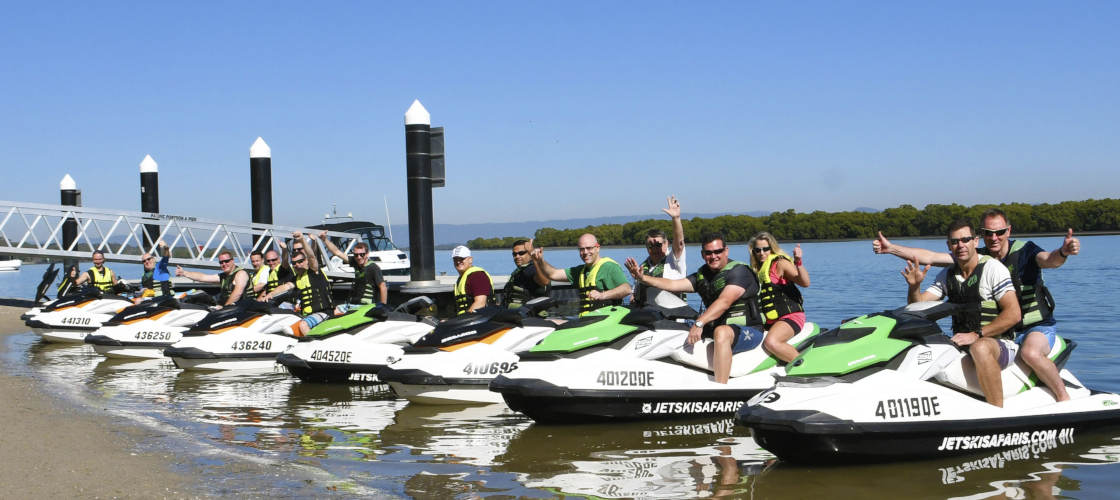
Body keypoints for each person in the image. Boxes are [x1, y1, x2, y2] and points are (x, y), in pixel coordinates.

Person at [875, 208, 1078, 402]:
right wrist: (892, 249)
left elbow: (1049, 260)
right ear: (981, 236)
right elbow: (930, 257)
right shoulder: (973, 256)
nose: (994, 237)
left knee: (1030, 353)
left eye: (999, 232)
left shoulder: (1024, 252)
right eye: (988, 233)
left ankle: (1063, 397)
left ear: (1008, 231)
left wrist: (1063, 252)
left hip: (1032, 326)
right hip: (1000, 330)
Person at [903, 218, 1021, 407]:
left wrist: (977, 335)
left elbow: (1014, 314)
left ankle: (997, 412)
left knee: (980, 348)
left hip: (1000, 344)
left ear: (975, 241)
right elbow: (917, 306)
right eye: (955, 241)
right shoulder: (948, 274)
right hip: (962, 343)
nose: (961, 245)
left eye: (965, 239)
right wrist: (914, 287)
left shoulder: (993, 269)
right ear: (949, 245)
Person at [625, 232, 765, 384]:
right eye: (708, 253)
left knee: (722, 332)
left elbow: (724, 301)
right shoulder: (702, 275)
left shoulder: (740, 272)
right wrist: (642, 278)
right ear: (702, 254)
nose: (713, 256)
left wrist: (700, 323)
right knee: (672, 329)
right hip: (714, 328)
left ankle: (720, 389)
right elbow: (673, 284)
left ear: (726, 251)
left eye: (718, 251)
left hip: (748, 330)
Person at [746, 232, 810, 363]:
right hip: (769, 321)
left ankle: (806, 367)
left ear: (772, 248)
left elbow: (805, 282)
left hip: (790, 316)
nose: (762, 253)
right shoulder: (758, 271)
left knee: (771, 342)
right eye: (758, 250)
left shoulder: (780, 263)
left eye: (766, 249)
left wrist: (798, 262)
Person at [531, 233, 631, 316]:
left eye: (589, 248)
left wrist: (602, 295)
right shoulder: (580, 271)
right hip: (586, 321)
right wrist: (540, 261)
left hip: (607, 320)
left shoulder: (609, 267)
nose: (585, 252)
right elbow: (553, 274)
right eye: (581, 249)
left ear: (597, 248)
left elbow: (626, 289)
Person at [258, 233, 333, 335]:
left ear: (306, 261)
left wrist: (302, 239)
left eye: (300, 261)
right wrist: (270, 294)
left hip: (323, 313)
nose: (297, 265)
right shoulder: (296, 278)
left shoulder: (314, 272)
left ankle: (312, 347)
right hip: (305, 314)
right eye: (294, 263)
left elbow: (311, 256)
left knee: (303, 325)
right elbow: (285, 286)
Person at [631, 195, 687, 308]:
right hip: (645, 317)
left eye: (658, 244)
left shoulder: (674, 260)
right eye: (650, 245)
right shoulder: (643, 267)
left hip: (671, 318)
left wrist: (676, 218)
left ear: (666, 244)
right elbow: (635, 294)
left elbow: (679, 243)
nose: (655, 249)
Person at [319, 231, 388, 312]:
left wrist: (382, 307)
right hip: (355, 304)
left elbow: (383, 287)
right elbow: (337, 252)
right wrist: (324, 239)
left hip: (366, 306)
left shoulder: (373, 268)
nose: (359, 257)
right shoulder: (356, 263)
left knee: (337, 311)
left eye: (362, 254)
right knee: (335, 309)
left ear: (367, 254)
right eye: (356, 255)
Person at [175, 250, 253, 308]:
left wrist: (224, 308)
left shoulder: (241, 274)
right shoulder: (223, 276)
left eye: (226, 261)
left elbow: (237, 293)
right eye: (221, 262)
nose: (224, 264)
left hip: (243, 309)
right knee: (199, 296)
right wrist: (184, 273)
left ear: (232, 261)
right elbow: (203, 277)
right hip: (227, 307)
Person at [502, 239, 549, 309]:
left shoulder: (531, 269)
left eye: (521, 253)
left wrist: (535, 259)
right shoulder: (520, 270)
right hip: (515, 312)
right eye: (514, 254)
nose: (517, 256)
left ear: (529, 254)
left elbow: (544, 281)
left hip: (530, 315)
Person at [451, 245, 493, 315]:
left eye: (461, 259)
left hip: (482, 320)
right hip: (465, 319)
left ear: (470, 259)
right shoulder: (462, 278)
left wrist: (462, 320)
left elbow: (480, 304)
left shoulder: (477, 276)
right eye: (455, 259)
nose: (458, 262)